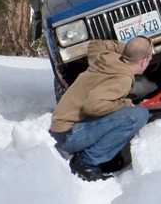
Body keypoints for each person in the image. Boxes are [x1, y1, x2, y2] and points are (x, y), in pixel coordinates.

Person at [50, 37, 152, 181]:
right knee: (137, 115)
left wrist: (130, 51)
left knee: (124, 112)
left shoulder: (106, 57)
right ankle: (86, 163)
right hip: (68, 135)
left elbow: (95, 44)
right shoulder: (123, 79)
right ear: (143, 61)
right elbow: (92, 106)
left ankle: (101, 155)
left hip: (59, 127)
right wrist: (124, 103)